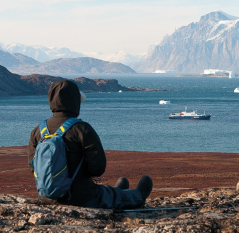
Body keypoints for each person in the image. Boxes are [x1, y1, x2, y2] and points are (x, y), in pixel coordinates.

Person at [28, 79, 153, 209]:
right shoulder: (82, 128)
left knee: (108, 192)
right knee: (104, 195)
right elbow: (98, 168)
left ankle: (117, 191)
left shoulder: (38, 131)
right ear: (75, 102)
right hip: (81, 198)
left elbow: (33, 168)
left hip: (47, 198)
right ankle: (138, 196)